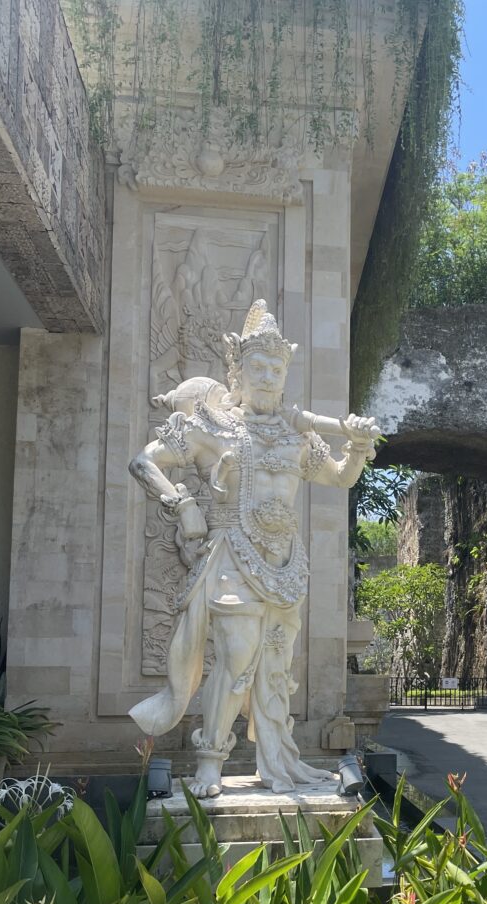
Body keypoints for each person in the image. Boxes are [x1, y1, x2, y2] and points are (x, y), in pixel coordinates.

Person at [128, 300, 379, 796]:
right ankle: (208, 761)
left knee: (274, 666)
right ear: (236, 373)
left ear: (286, 376)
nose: (266, 376)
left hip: (285, 564)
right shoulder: (210, 426)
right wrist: (183, 505)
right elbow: (143, 462)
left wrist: (356, 446)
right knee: (237, 657)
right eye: (256, 367)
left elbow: (341, 479)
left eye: (276, 368)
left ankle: (274, 762)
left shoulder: (296, 434)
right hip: (230, 555)